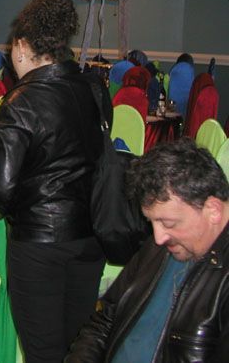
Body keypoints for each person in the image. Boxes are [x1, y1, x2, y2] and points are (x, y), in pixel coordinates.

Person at [0, 0, 108, 363]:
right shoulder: (94, 90)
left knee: (43, 352)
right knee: (79, 347)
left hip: (40, 244)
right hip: (90, 236)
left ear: (22, 47)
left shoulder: (20, 101)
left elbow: (1, 189)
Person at [67, 139, 229, 362]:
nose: (159, 237)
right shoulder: (165, 245)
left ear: (213, 210)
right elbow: (105, 319)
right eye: (152, 222)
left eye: (169, 223)